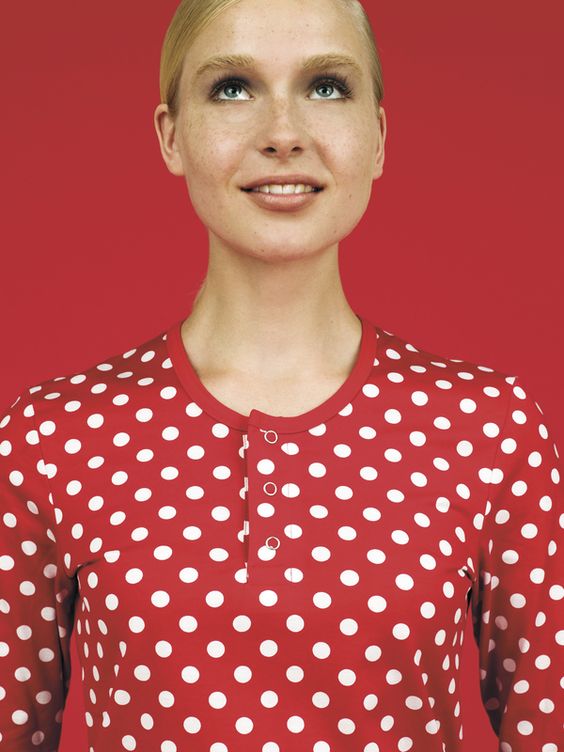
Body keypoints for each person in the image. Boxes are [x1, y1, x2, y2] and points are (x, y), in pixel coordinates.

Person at [0, 0, 561, 749]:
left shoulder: (490, 429)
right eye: (232, 87)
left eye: (326, 86)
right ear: (172, 136)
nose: (284, 133)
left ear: (378, 137)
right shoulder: (51, 437)